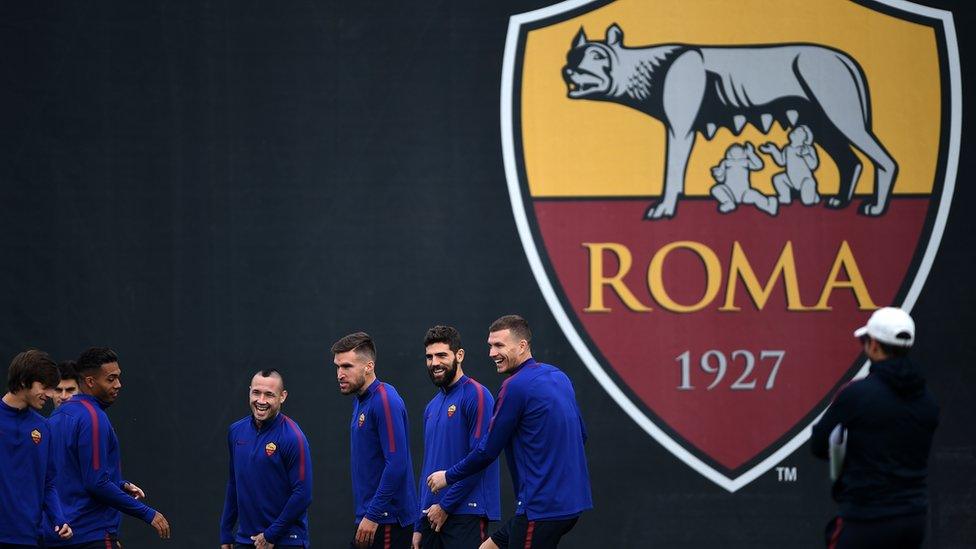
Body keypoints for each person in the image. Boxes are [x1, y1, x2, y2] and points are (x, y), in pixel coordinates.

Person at [427, 315, 592, 549]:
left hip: (539, 510)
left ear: (522, 346)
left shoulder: (514, 387)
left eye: (499, 345)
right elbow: (581, 435)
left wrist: (448, 476)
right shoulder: (558, 376)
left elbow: (486, 451)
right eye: (490, 346)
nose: (492, 353)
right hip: (570, 506)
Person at [811, 307, 939, 548]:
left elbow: (819, 445)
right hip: (914, 521)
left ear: (875, 346)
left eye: (865, 340)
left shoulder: (855, 395)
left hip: (865, 521)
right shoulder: (928, 401)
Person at [48, 347, 170, 547]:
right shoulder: (94, 418)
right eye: (111, 379)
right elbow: (96, 483)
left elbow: (72, 474)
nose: (118, 384)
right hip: (90, 534)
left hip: (56, 535)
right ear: (90, 382)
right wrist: (148, 514)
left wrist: (119, 484)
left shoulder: (54, 418)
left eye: (118, 377)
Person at [413, 326, 500, 549]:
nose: (435, 363)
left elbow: (480, 458)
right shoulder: (431, 406)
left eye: (442, 355)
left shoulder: (477, 395)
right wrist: (417, 525)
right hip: (431, 518)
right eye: (429, 357)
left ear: (459, 355)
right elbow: (428, 467)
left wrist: (446, 506)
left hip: (466, 514)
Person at [333, 332, 417, 548]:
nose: (340, 374)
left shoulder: (385, 400)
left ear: (368, 366)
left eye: (347, 366)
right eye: (338, 367)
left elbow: (396, 464)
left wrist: (373, 515)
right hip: (370, 518)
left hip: (387, 522)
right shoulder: (360, 401)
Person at [220, 369, 313, 549]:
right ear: (249, 392)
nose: (261, 401)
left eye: (269, 394)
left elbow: (303, 494)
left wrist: (271, 534)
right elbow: (234, 483)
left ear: (282, 396)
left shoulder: (293, 437)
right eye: (256, 392)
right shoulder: (236, 431)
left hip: (286, 541)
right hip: (245, 541)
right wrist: (225, 533)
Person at [0, 349, 73, 547]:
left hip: (30, 538)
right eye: (45, 387)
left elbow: (48, 483)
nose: (50, 395)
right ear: (24, 382)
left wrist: (59, 518)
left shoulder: (43, 427)